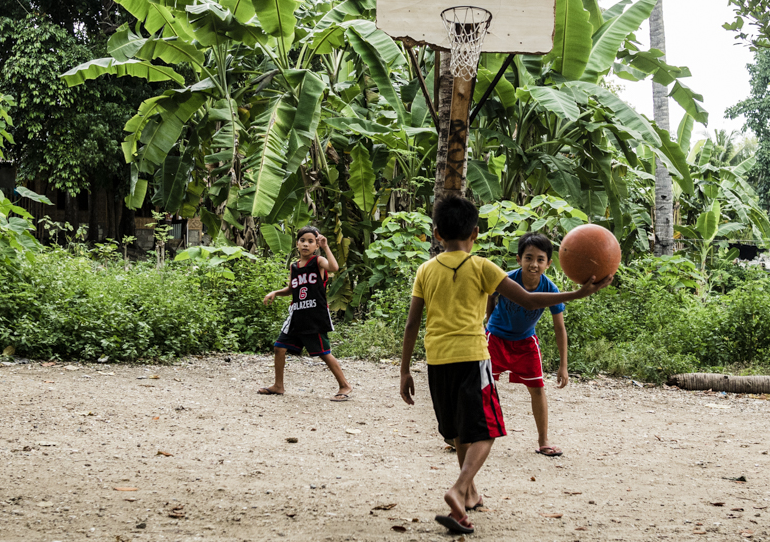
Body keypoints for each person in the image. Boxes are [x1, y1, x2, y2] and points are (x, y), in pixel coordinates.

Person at [399, 196, 610, 535]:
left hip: (437, 360)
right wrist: (577, 294)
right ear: (475, 233)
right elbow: (527, 299)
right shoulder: (482, 267)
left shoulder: (425, 270)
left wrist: (405, 370)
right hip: (472, 357)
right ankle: (458, 488)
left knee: (460, 431)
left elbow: (411, 324)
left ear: (437, 233)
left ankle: (468, 498)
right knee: (488, 431)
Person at [485, 232, 570, 457]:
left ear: (548, 263)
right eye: (528, 258)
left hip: (525, 343)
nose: (534, 264)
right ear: (518, 259)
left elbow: (560, 328)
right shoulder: (506, 280)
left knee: (538, 390)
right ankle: (469, 436)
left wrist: (563, 365)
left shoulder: (550, 289)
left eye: (540, 259)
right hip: (495, 340)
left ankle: (543, 441)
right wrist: (489, 319)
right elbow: (490, 295)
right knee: (481, 387)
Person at [258, 226, 353, 401]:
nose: (306, 244)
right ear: (297, 243)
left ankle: (344, 385)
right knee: (279, 347)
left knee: (323, 352)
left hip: (314, 316)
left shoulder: (318, 261)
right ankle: (278, 386)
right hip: (297, 315)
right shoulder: (294, 266)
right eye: (302, 241)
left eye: (310, 241)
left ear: (316, 245)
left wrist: (325, 247)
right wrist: (275, 293)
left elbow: (334, 267)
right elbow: (291, 289)